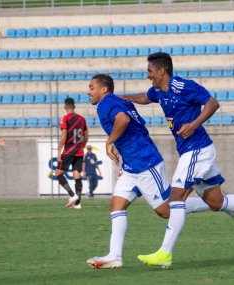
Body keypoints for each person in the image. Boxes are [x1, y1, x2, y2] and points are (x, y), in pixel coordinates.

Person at [119, 52, 234, 268]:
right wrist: (121, 98)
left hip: (197, 149)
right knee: (216, 203)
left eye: (149, 71)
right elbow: (144, 98)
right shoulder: (159, 91)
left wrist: (193, 125)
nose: (148, 75)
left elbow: (213, 104)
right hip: (191, 151)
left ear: (161, 71)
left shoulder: (183, 86)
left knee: (175, 198)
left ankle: (165, 253)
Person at [85, 74, 224, 269]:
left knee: (166, 211)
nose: (88, 91)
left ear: (104, 89)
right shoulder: (116, 101)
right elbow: (136, 124)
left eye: (91, 87)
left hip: (145, 163)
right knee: (116, 206)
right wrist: (118, 143)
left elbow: (123, 120)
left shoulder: (106, 103)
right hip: (131, 165)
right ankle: (115, 255)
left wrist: (110, 142)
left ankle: (211, 203)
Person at [56, 98, 88, 209]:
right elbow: (86, 136)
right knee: (77, 175)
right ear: (74, 107)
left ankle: (72, 195)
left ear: (65, 107)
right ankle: (78, 204)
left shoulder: (65, 119)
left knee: (58, 174)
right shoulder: (82, 119)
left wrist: (59, 151)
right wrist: (81, 146)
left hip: (69, 150)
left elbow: (64, 136)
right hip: (79, 151)